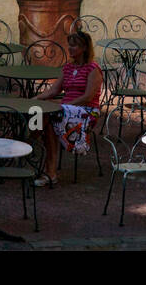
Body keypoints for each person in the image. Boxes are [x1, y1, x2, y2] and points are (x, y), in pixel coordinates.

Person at [33, 28, 103, 186]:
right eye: (69, 45)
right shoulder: (68, 68)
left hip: (87, 112)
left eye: (74, 46)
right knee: (38, 111)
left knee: (49, 115)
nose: (70, 48)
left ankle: (31, 143)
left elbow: (88, 97)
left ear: (84, 48)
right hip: (65, 110)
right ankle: (48, 169)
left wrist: (64, 105)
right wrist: (35, 99)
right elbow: (54, 90)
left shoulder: (93, 69)